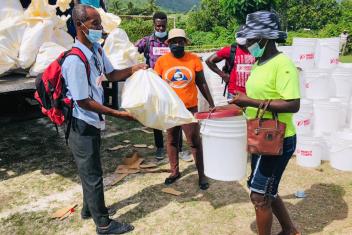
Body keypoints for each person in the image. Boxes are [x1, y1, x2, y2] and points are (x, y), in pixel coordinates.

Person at [62, 4, 147, 234]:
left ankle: (88, 210)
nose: (100, 28)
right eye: (95, 24)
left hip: (92, 121)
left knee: (88, 169)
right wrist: (118, 114)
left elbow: (111, 75)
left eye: (100, 22)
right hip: (80, 124)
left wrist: (134, 69)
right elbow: (83, 101)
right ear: (80, 26)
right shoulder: (75, 60)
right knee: (92, 174)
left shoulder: (97, 51)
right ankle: (104, 224)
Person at [230, 11, 301, 235]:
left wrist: (249, 100)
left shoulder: (283, 63)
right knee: (264, 188)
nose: (248, 44)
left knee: (259, 196)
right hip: (261, 136)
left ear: (264, 38)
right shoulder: (259, 63)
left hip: (278, 139)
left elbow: (292, 104)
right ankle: (290, 230)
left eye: (251, 40)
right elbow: (262, 98)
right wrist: (243, 105)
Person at [154, 28, 215, 190]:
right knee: (172, 140)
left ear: (184, 43)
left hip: (189, 108)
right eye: (173, 42)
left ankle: (202, 175)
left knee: (194, 142)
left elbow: (201, 82)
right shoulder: (161, 62)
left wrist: (211, 102)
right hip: (170, 109)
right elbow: (157, 86)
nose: (177, 44)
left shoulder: (193, 60)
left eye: (180, 41)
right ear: (169, 44)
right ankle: (174, 171)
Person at [136, 12, 191, 162]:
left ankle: (178, 148)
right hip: (155, 85)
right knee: (157, 115)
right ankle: (160, 147)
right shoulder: (146, 41)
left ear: (167, 25)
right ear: (153, 24)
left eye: (163, 25)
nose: (160, 28)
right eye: (158, 25)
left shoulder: (172, 40)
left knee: (176, 115)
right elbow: (131, 52)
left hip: (173, 83)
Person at [206, 26, 255, 98]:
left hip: (253, 92)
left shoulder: (256, 49)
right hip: (234, 93)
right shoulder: (230, 50)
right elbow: (209, 61)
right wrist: (223, 75)